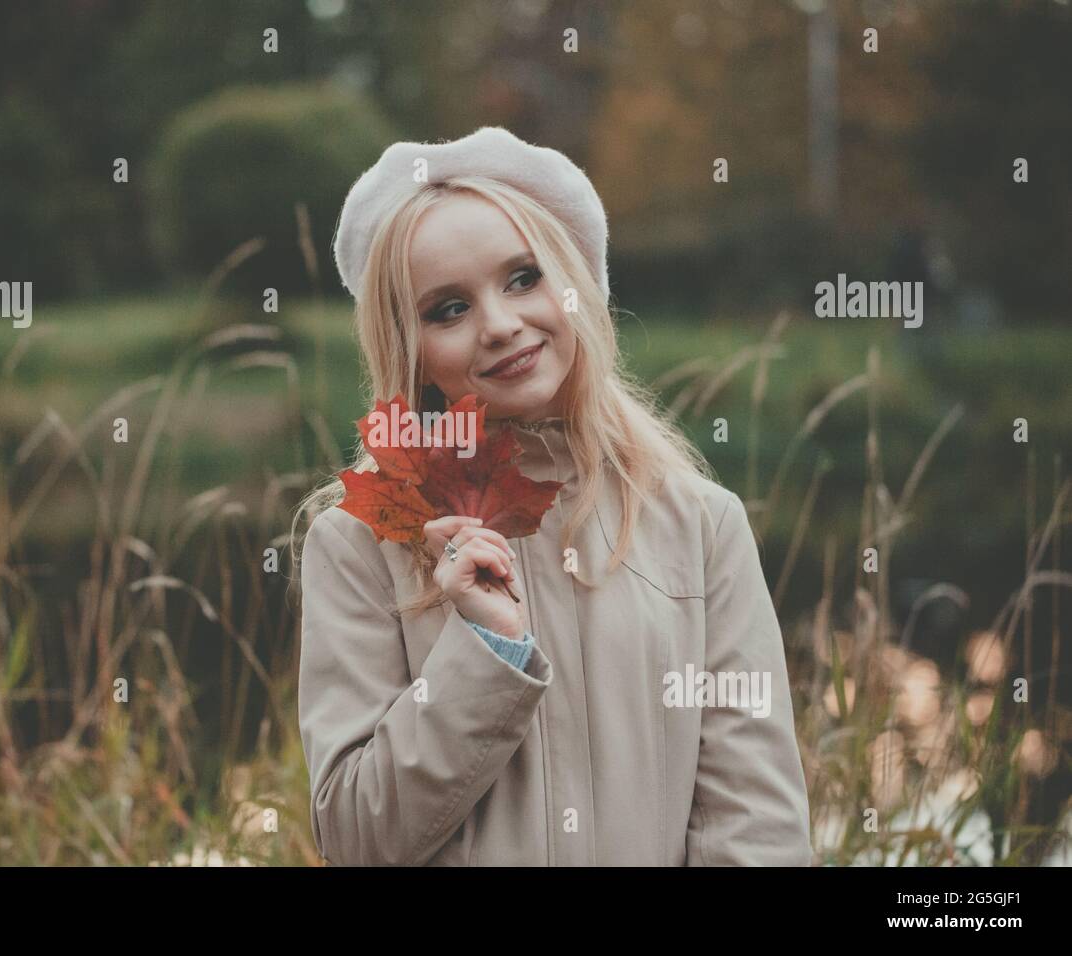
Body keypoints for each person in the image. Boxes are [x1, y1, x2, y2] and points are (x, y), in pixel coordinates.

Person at [292, 126, 811, 866]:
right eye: (448, 309)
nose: (501, 325)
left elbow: (758, 830)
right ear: (411, 351)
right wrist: (485, 648)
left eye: (523, 278)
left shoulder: (700, 526)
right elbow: (355, 837)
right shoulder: (359, 544)